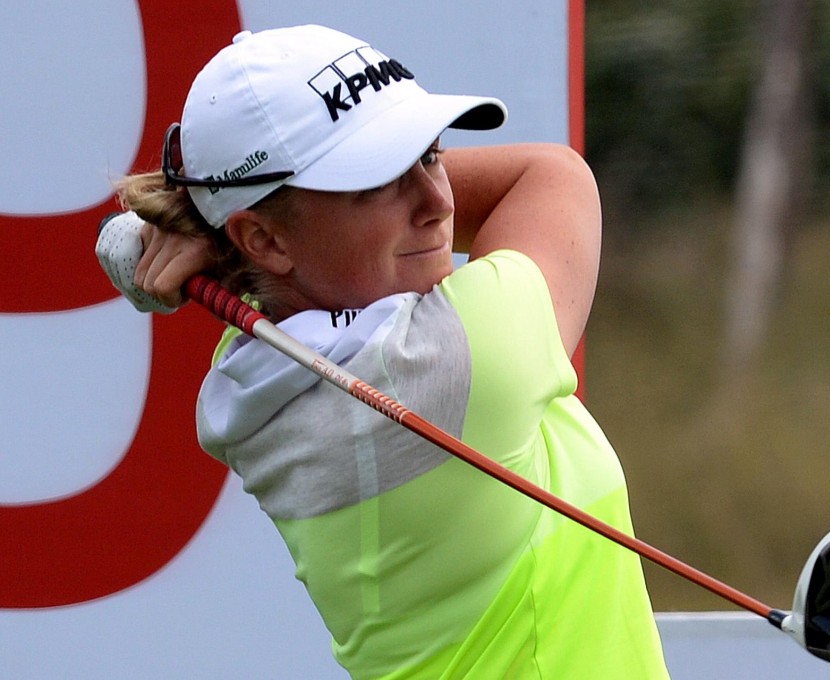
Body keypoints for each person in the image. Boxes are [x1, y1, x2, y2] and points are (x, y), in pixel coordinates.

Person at [96, 25, 669, 679]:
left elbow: (287, 260)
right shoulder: (458, 358)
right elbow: (550, 176)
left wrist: (209, 229)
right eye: (376, 179)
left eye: (430, 155)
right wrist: (205, 230)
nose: (437, 201)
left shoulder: (258, 372)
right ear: (264, 240)